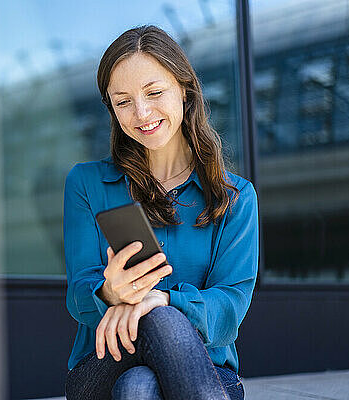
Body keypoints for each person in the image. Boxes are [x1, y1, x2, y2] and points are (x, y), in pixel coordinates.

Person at [63, 25, 259, 400]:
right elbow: (78, 296)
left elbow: (230, 308)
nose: (141, 113)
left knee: (139, 387)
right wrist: (108, 292)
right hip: (104, 363)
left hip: (206, 369)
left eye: (154, 93)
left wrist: (164, 300)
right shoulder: (86, 184)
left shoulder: (237, 198)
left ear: (185, 91)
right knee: (156, 323)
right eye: (122, 101)